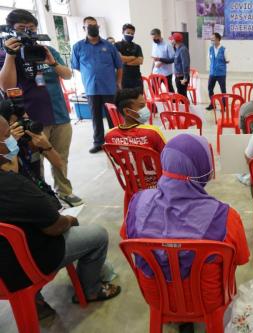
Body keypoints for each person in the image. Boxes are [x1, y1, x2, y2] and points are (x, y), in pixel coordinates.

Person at [126, 133, 250, 333]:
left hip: (156, 296)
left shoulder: (137, 203)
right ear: (203, 169)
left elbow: (129, 238)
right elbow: (242, 258)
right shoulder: (225, 216)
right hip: (207, 298)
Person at [0, 116, 121, 319]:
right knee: (98, 235)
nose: (14, 136)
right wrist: (70, 221)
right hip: (25, 264)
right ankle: (90, 290)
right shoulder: (12, 184)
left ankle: (35, 301)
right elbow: (54, 226)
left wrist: (44, 148)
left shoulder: (22, 161)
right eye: (7, 135)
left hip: (5, 262)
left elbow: (60, 166)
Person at [0, 9, 83, 206]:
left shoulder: (47, 50)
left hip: (59, 114)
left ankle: (64, 191)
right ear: (11, 31)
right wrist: (11, 55)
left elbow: (68, 75)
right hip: (31, 118)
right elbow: (6, 85)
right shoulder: (5, 54)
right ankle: (42, 196)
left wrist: (53, 63)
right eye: (21, 29)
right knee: (36, 161)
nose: (28, 33)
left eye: (31, 28)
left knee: (60, 157)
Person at [71, 16, 123, 154]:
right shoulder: (78, 47)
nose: (93, 28)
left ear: (98, 27)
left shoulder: (109, 46)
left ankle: (114, 141)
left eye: (95, 25)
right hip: (91, 88)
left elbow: (119, 66)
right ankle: (98, 142)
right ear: (84, 28)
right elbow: (76, 66)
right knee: (96, 117)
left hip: (109, 88)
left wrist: (118, 83)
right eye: (89, 26)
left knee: (112, 116)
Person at [105, 88, 166, 153]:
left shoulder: (109, 135)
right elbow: (168, 158)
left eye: (145, 105)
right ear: (127, 111)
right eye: (141, 106)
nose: (146, 109)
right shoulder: (153, 132)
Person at [115, 23, 143, 90]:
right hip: (123, 78)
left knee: (139, 99)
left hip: (136, 78)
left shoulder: (137, 47)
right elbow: (119, 58)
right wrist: (133, 57)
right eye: (128, 32)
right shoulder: (117, 45)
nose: (130, 35)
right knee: (125, 100)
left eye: (132, 34)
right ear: (123, 32)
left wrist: (125, 62)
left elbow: (140, 61)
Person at [206, 32, 229, 110]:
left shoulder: (224, 49)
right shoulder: (210, 48)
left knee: (223, 90)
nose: (212, 41)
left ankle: (224, 106)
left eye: (213, 39)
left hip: (221, 73)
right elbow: (210, 58)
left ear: (218, 39)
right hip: (212, 73)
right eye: (211, 39)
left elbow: (227, 60)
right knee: (210, 88)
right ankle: (212, 104)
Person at [150, 28, 175, 93]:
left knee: (170, 91)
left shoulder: (167, 45)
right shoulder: (154, 44)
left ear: (159, 36)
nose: (153, 40)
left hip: (166, 73)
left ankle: (174, 102)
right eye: (152, 38)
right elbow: (154, 59)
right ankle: (153, 103)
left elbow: (172, 59)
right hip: (156, 72)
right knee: (154, 91)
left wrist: (162, 61)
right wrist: (151, 71)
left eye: (155, 38)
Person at [172, 32, 190, 97]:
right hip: (178, 76)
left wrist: (185, 78)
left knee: (182, 96)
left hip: (182, 76)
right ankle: (185, 107)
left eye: (172, 39)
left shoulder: (183, 49)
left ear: (175, 40)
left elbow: (185, 64)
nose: (171, 41)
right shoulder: (177, 49)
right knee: (181, 95)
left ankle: (187, 107)